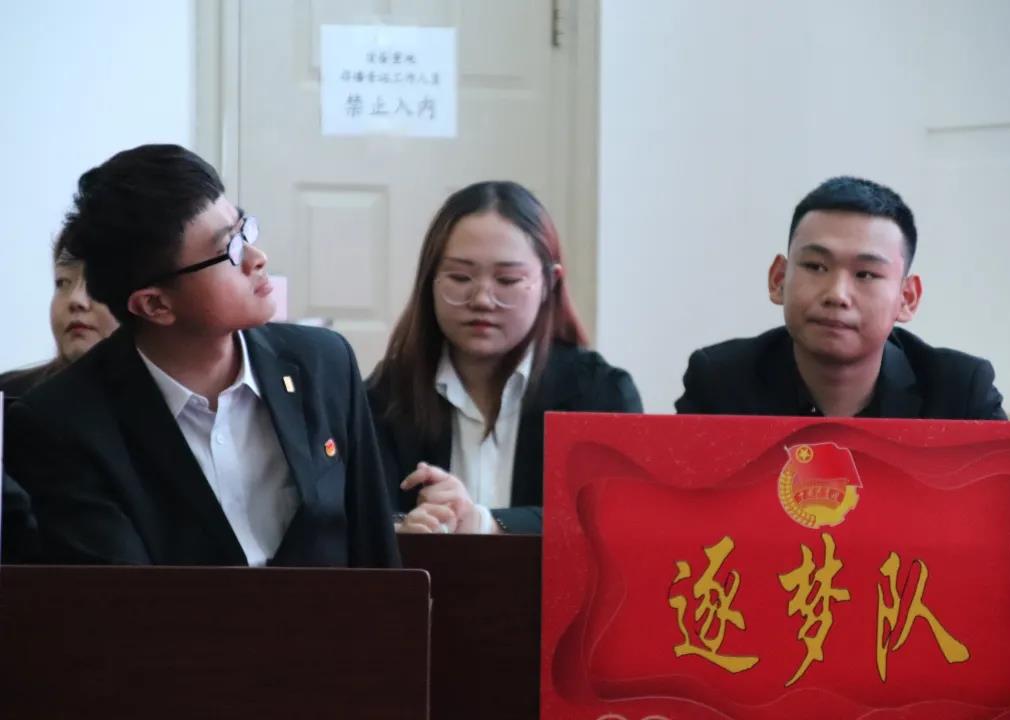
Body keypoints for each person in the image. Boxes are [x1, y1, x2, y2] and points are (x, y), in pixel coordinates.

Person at [2, 144, 398, 566]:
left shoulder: (323, 362)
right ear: (155, 304)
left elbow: (375, 555)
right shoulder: (62, 423)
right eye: (229, 250)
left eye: (244, 230)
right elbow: (119, 595)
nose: (256, 258)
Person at [367, 181, 642, 535]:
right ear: (430, 279)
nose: (482, 299)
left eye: (508, 280)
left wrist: (484, 522)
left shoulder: (600, 393)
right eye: (460, 277)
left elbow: (617, 521)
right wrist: (401, 529)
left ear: (550, 283)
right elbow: (353, 515)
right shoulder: (386, 395)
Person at [675, 176, 1006, 419]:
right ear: (778, 280)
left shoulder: (960, 395)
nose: (836, 294)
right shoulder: (719, 383)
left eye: (866, 274)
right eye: (816, 266)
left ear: (907, 298)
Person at [0, 233, 119, 401]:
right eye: (62, 282)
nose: (75, 299)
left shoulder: (156, 400)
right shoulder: (9, 396)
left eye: (99, 282)